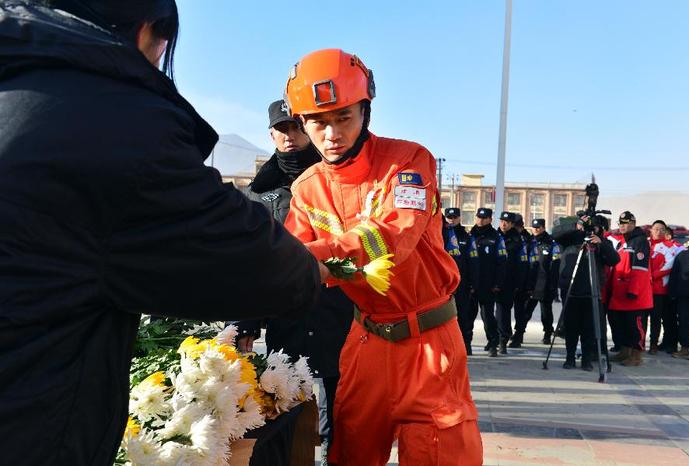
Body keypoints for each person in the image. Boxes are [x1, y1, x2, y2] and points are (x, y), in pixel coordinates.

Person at [0, 3, 322, 465]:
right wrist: (311, 268)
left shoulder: (18, 81)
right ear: (150, 31)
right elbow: (255, 263)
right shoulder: (112, 119)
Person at [283, 48, 483, 466]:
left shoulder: (409, 163)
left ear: (365, 111)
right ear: (302, 122)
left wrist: (306, 262)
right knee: (350, 452)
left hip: (429, 343)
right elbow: (290, 265)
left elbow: (394, 236)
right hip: (364, 343)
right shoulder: (306, 188)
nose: (332, 134)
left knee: (440, 454)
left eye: (344, 118)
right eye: (318, 122)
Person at [232, 100, 354, 464]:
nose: (290, 136)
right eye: (281, 130)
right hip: (289, 315)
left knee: (343, 409)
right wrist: (245, 323)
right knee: (285, 409)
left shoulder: (339, 179)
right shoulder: (261, 192)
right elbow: (252, 262)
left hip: (341, 310)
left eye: (296, 128)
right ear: (271, 134)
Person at [553, 215, 620, 370]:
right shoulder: (571, 239)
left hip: (592, 290)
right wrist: (576, 226)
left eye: (596, 227)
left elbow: (614, 260)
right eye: (590, 226)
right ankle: (569, 358)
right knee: (571, 326)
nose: (592, 230)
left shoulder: (602, 243)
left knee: (589, 328)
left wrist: (601, 243)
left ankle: (587, 359)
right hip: (570, 289)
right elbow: (555, 234)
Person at [608, 211, 653, 367]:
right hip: (620, 295)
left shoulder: (640, 242)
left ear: (634, 224)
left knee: (636, 326)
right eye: (620, 223)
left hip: (635, 296)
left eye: (626, 223)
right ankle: (624, 352)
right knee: (623, 325)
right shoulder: (623, 243)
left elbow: (640, 269)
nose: (623, 226)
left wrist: (634, 290)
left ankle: (636, 355)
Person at [513, 219, 561, 346]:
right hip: (531, 282)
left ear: (543, 227)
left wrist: (553, 284)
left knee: (546, 312)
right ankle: (519, 335)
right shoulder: (528, 241)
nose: (536, 230)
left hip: (546, 282)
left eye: (538, 227)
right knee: (526, 311)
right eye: (534, 227)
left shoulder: (551, 243)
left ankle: (547, 334)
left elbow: (556, 265)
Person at [471, 207, 508, 357]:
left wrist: (498, 283)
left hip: (488, 285)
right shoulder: (469, 235)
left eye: (484, 218)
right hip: (473, 285)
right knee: (468, 316)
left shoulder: (496, 238)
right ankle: (466, 344)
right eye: (479, 217)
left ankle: (493, 343)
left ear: (490, 220)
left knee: (488, 316)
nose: (480, 220)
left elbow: (502, 262)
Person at [443, 207, 480, 355]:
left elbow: (474, 262)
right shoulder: (441, 235)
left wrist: (473, 283)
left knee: (463, 316)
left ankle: (466, 344)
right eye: (449, 217)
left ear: (459, 218)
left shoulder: (467, 237)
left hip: (462, 284)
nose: (452, 219)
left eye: (455, 217)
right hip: (445, 284)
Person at [494, 211, 528, 354]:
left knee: (503, 311)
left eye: (507, 222)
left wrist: (520, 283)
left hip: (509, 281)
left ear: (512, 224)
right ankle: (493, 338)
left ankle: (503, 339)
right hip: (492, 280)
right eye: (502, 221)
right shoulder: (494, 237)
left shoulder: (518, 241)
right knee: (490, 313)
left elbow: (523, 264)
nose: (504, 224)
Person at [647, 220, 679, 354]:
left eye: (661, 229)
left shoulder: (670, 247)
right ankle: (638, 344)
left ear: (665, 232)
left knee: (657, 317)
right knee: (642, 318)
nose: (658, 232)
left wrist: (651, 276)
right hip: (644, 288)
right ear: (651, 230)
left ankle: (654, 343)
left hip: (660, 289)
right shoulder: (645, 244)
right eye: (655, 229)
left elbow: (668, 266)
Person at [668, 230, 689, 361]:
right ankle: (684, 348)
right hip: (684, 296)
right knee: (683, 322)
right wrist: (673, 292)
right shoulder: (683, 255)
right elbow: (674, 275)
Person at [509, 214, 536, 347]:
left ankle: (518, 335)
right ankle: (505, 334)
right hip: (509, 280)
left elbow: (532, 264)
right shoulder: (505, 236)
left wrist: (530, 284)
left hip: (524, 282)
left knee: (520, 311)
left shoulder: (529, 240)